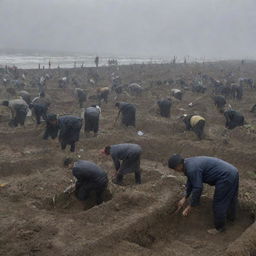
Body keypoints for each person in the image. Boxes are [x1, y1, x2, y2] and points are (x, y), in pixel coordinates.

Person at [168, 154, 239, 235]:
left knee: (219, 202)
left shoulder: (191, 169)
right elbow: (191, 181)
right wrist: (185, 197)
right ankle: (231, 218)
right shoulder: (188, 163)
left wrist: (190, 206)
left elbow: (198, 188)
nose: (175, 171)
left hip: (225, 176)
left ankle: (220, 228)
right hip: (232, 171)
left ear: (179, 165)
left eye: (175, 169)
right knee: (231, 197)